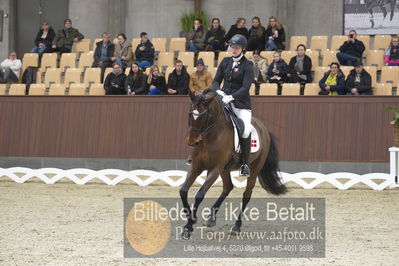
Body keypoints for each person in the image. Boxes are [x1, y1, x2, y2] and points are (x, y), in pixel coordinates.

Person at [212, 34, 254, 177]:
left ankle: (245, 164)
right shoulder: (225, 61)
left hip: (241, 104)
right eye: (232, 47)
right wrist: (219, 92)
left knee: (245, 131)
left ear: (243, 49)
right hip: (224, 100)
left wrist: (231, 97)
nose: (233, 50)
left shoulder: (248, 65)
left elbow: (245, 87)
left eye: (236, 47)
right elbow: (216, 81)